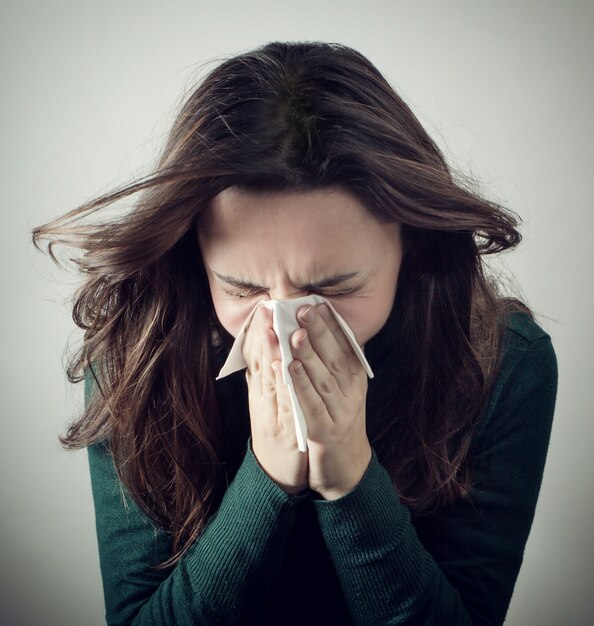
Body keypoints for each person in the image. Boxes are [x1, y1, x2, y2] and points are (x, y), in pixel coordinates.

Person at [32, 41, 558, 625]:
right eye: (241, 289)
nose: (284, 332)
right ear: (194, 257)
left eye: (332, 291)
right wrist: (271, 476)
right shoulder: (137, 360)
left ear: (413, 243)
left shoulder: (498, 362)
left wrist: (351, 478)